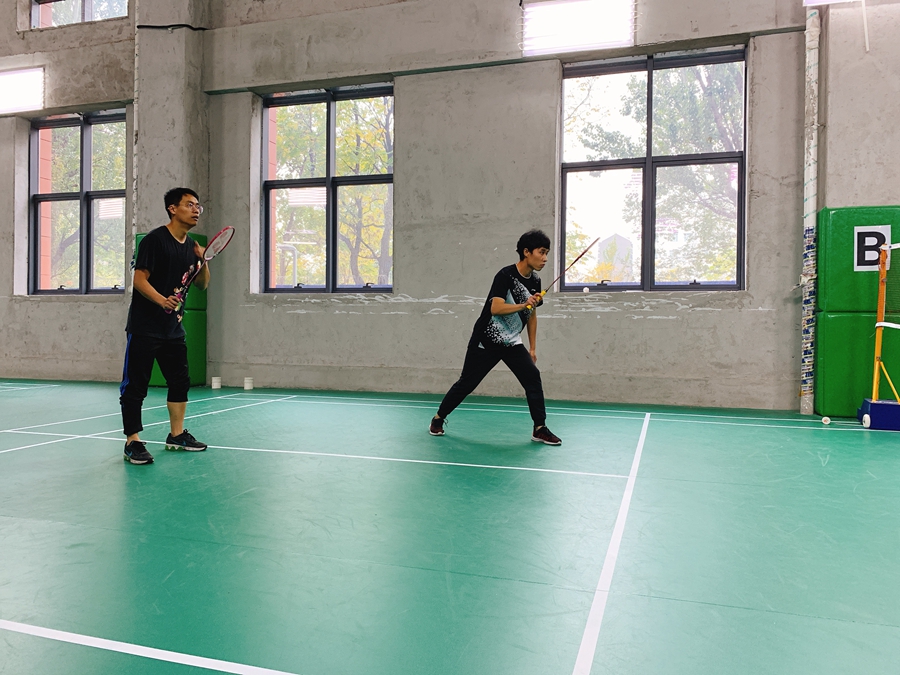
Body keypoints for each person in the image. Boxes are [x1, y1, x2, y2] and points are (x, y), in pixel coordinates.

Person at [430, 229, 562, 445]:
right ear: (526, 252)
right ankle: (438, 418)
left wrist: (532, 348)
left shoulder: (535, 281)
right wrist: (524, 304)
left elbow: (532, 315)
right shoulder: (505, 276)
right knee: (467, 383)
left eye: (547, 253)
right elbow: (496, 308)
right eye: (541, 252)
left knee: (532, 377)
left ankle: (539, 428)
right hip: (486, 340)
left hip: (511, 342)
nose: (545, 258)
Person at [119, 187, 211, 465]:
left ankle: (177, 435)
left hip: (173, 329)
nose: (196, 210)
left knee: (180, 382)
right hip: (145, 327)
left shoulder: (191, 246)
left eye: (198, 206)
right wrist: (162, 301)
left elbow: (202, 284)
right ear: (173, 209)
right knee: (136, 386)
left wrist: (203, 260)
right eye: (189, 205)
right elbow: (139, 279)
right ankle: (132, 441)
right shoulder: (154, 240)